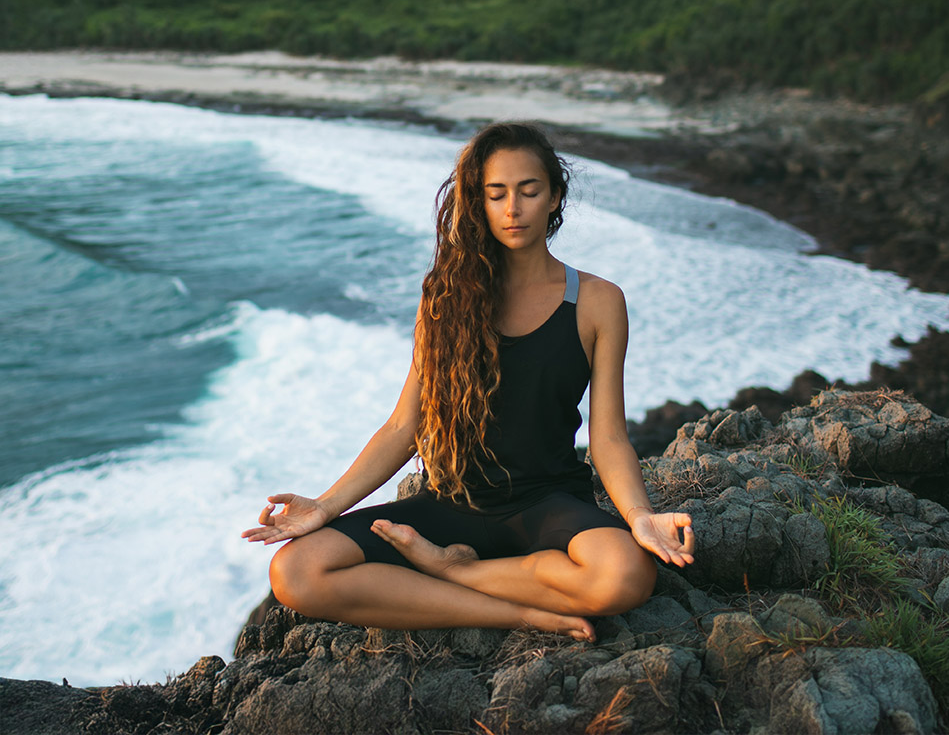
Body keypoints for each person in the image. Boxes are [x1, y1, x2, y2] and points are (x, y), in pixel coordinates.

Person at [242, 122, 695, 642]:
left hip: (545, 504)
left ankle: (454, 572)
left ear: (555, 197)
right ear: (476, 202)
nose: (513, 208)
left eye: (529, 191)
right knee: (295, 573)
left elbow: (609, 435)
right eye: (495, 193)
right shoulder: (444, 298)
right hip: (449, 505)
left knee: (626, 576)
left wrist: (639, 516)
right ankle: (517, 611)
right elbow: (402, 426)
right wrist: (324, 507)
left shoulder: (597, 301)